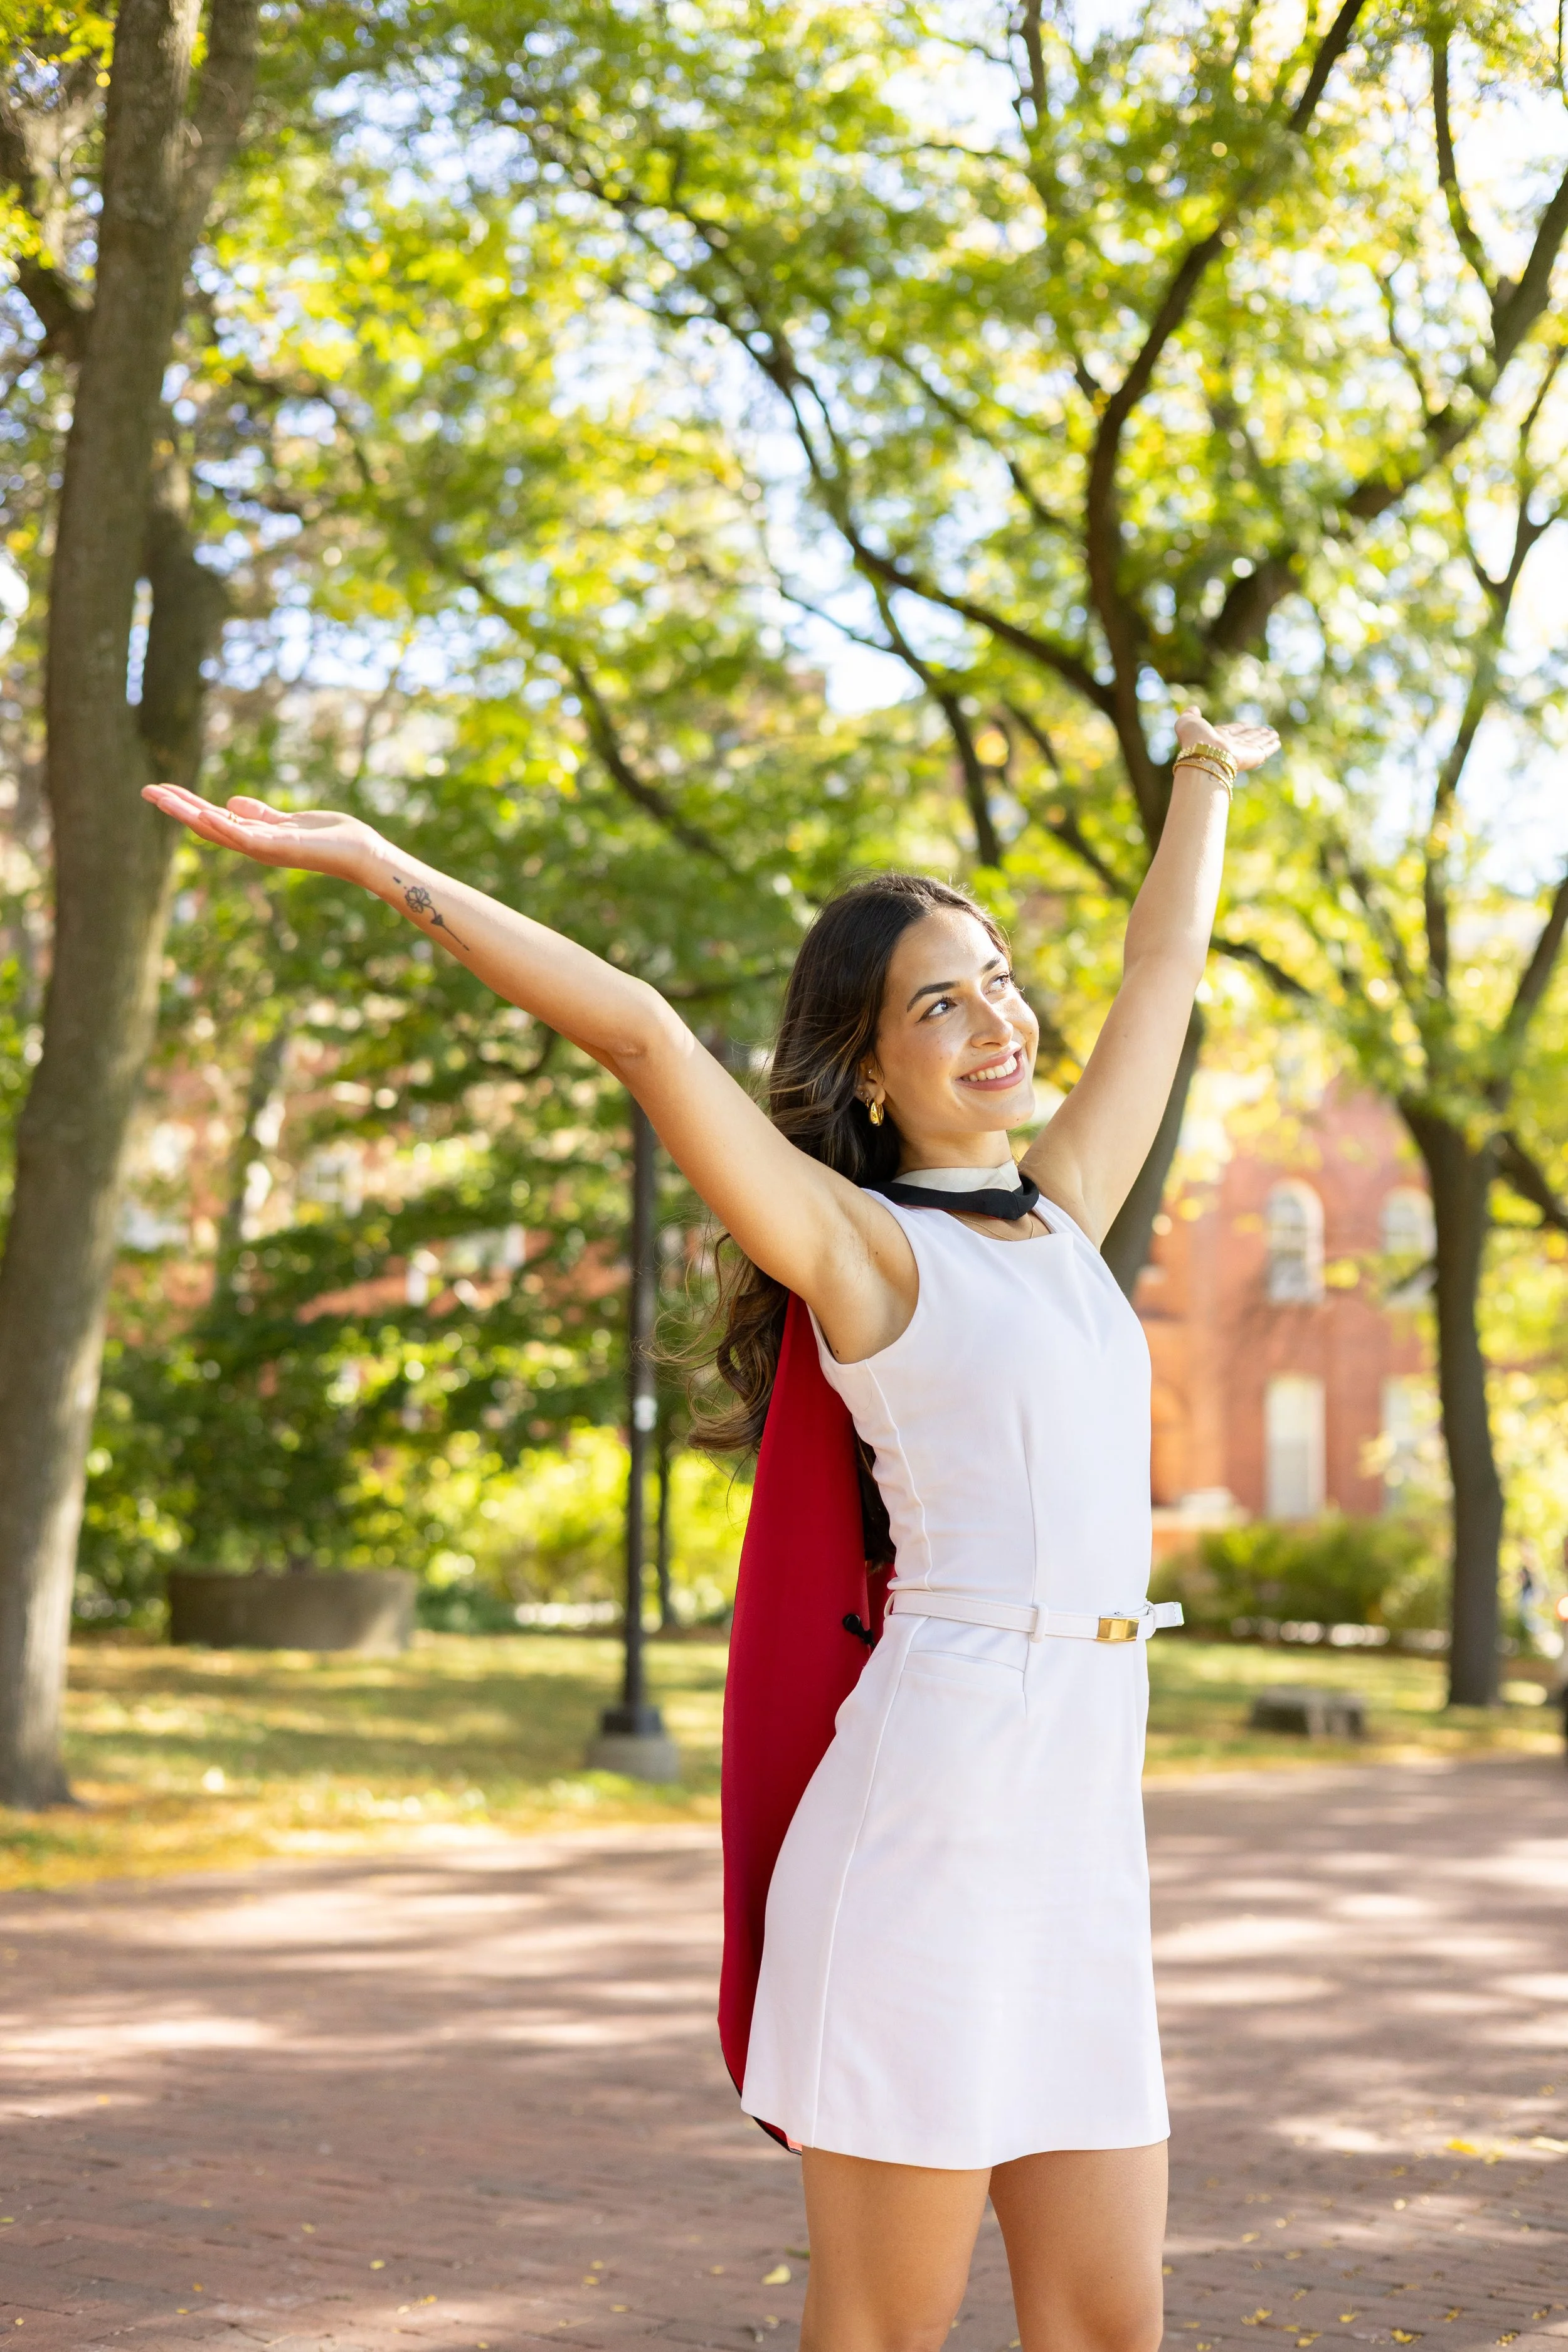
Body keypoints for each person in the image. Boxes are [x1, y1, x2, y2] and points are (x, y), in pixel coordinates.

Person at [145, 697, 1277, 2352]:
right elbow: (645, 1036)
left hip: (1079, 1830)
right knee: (888, 2323)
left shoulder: (1065, 1211)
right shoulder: (865, 1249)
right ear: (869, 1069)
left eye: (1000, 981)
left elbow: (1161, 979)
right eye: (936, 1003)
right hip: (928, 1825)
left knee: (1110, 2322)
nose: (995, 1021)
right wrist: (387, 866)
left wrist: (1201, 774)